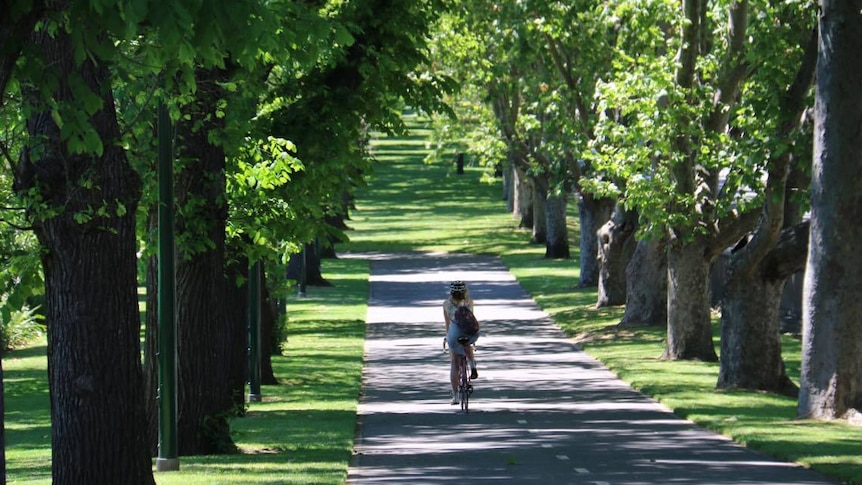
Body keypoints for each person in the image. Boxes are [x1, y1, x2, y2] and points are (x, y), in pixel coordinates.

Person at [444, 280, 479, 405]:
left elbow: (448, 324)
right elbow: (470, 319)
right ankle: (472, 365)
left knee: (455, 363)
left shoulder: (447, 304)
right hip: (470, 332)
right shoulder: (469, 302)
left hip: (454, 334)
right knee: (468, 342)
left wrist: (447, 338)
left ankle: (455, 396)